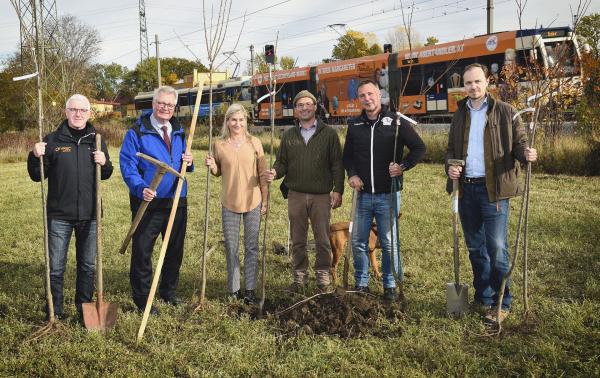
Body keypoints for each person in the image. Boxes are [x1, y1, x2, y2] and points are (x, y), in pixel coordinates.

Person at [445, 63, 537, 325]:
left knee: (497, 248)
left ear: (487, 82)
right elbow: (451, 150)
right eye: (468, 83)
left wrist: (527, 153)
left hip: (493, 190)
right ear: (464, 86)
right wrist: (451, 167)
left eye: (477, 81)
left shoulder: (506, 112)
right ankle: (484, 296)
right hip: (466, 189)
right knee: (475, 247)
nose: (473, 87)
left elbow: (519, 144)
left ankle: (501, 301)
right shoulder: (460, 114)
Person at [27, 94, 113, 320]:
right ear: (66, 112)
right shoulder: (53, 140)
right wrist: (34, 155)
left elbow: (106, 174)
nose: (78, 114)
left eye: (83, 110)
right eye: (73, 109)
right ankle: (55, 310)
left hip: (90, 214)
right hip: (59, 215)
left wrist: (104, 162)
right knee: (55, 267)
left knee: (87, 266)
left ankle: (84, 309)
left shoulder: (96, 139)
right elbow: (37, 176)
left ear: (89, 113)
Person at [343, 79, 425, 301]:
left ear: (379, 95)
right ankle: (361, 283)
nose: (367, 99)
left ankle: (390, 284)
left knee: (389, 242)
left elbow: (419, 147)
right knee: (359, 241)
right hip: (362, 196)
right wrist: (351, 174)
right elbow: (347, 157)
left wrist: (403, 166)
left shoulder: (396, 122)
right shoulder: (355, 125)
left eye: (371, 94)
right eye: (362, 96)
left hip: (388, 194)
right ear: (358, 99)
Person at [120, 86, 193, 315]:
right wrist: (140, 188)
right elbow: (127, 165)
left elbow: (183, 164)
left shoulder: (180, 130)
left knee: (174, 250)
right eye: (161, 103)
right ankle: (142, 299)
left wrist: (188, 162)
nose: (165, 108)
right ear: (153, 104)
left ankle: (168, 292)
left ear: (174, 107)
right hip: (148, 201)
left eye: (170, 105)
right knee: (143, 251)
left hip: (176, 200)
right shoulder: (137, 132)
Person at [262, 90, 344, 293]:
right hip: (296, 194)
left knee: (322, 238)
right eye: (300, 105)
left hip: (320, 195)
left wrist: (338, 189)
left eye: (308, 104)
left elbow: (337, 164)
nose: (304, 108)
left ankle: (323, 277)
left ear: (315, 107)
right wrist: (274, 172)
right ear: (295, 110)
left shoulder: (329, 134)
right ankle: (299, 277)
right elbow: (281, 163)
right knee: (297, 239)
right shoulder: (289, 135)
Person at [205, 104, 268, 304]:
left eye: (241, 120)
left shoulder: (255, 142)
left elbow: (263, 174)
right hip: (229, 202)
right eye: (233, 120)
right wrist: (213, 166)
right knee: (231, 247)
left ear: (246, 122)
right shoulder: (219, 144)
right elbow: (217, 172)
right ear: (227, 122)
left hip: (253, 201)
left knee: (251, 247)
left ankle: (249, 289)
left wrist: (265, 200)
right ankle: (234, 289)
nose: (237, 124)